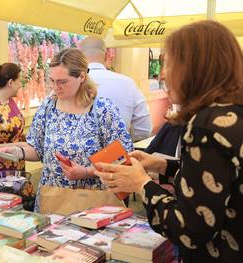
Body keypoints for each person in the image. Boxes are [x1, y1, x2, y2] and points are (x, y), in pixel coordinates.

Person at [95, 20, 243, 262]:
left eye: (170, 64)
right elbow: (217, 182)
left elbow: (189, 230)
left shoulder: (205, 125)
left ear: (196, 68)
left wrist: (142, 184)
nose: (162, 74)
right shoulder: (232, 114)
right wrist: (162, 165)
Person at [0, 48, 133, 212]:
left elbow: (122, 158)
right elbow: (38, 149)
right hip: (52, 199)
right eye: (52, 81)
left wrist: (86, 172)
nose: (56, 87)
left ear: (82, 77)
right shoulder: (48, 107)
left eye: (63, 82)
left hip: (92, 202)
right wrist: (18, 152)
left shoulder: (102, 110)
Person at [80, 37, 152, 141]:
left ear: (79, 56)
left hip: (75, 156)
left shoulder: (66, 83)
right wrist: (122, 141)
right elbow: (144, 130)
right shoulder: (128, 83)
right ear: (107, 55)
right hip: (117, 154)